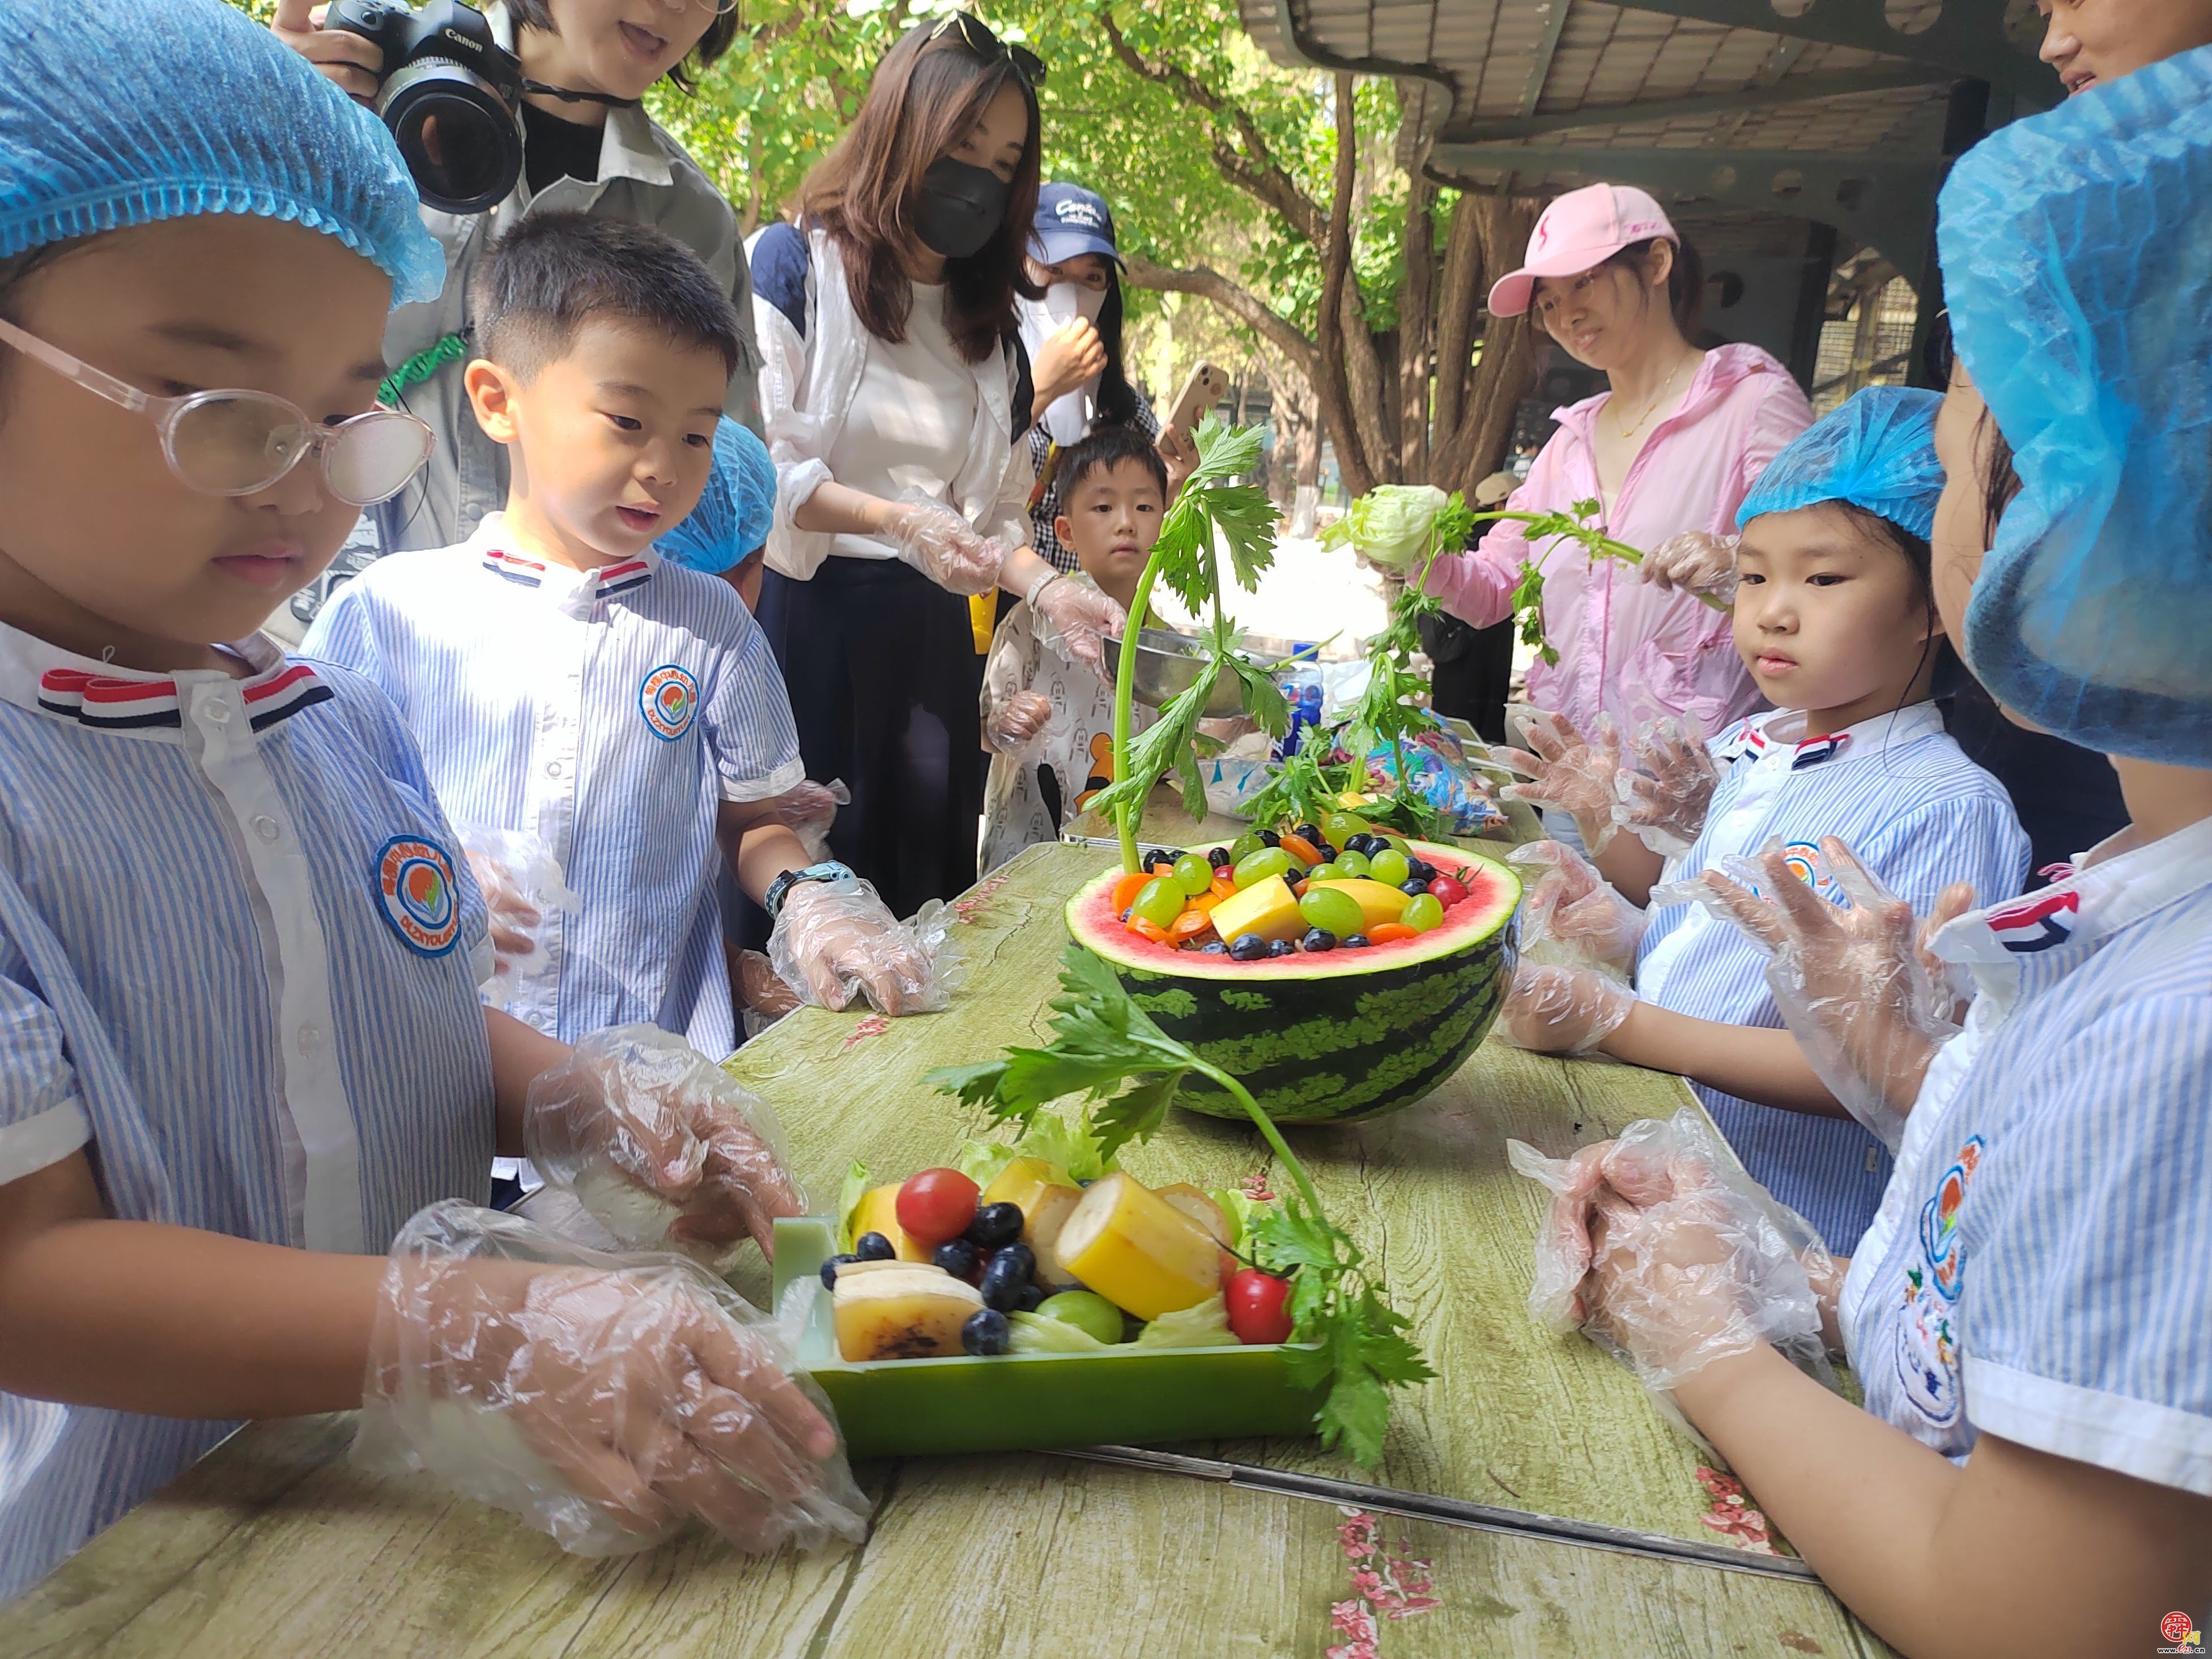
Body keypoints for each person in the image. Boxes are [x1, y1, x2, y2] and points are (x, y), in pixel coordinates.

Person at [0, 0, 858, 1602]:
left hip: (404, 1528)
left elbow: (394, 1018)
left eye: (344, 415)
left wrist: (582, 1099)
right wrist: (483, 1323)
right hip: (122, 1576)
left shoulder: (307, 719)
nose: (310, 477)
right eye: (222, 410)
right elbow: (25, 1266)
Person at [1513, 54, 2212, 1651]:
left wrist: (1706, 1338)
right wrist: (1869, 1145)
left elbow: (2009, 1611)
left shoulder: (2184, 1022)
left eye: (1992, 448)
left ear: (2089, 517)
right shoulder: (2121, 915)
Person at [304, 213, 939, 1056]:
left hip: (664, 1071)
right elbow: (312, 820)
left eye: (696, 435)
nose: (665, 468)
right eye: (627, 422)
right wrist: (424, 861)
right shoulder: (390, 616)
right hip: (440, 1074)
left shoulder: (712, 624)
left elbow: (750, 819)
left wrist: (808, 896)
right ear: (500, 402)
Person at [1493, 389, 2029, 1254]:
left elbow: (1890, 1066)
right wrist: (1619, 891)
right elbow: (1708, 933)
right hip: (1663, 1159)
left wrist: (1621, 1023)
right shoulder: (1756, 747)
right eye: (1753, 575)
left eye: (1823, 579)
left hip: (1784, 1227)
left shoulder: (1946, 808)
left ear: (1935, 600)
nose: (1773, 609)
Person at [748, 15, 1123, 918]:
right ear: (900, 127)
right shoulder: (793, 263)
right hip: (811, 631)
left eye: (1005, 164)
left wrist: (1048, 592)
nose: (981, 181)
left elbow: (992, 514)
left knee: (926, 901)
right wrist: (896, 521)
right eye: (964, 144)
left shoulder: (988, 325)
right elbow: (767, 468)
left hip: (929, 646)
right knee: (809, 895)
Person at [272, 0, 764, 622]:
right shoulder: (359, 114)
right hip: (323, 629)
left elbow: (727, 505)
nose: (677, 5)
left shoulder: (692, 222)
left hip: (568, 673)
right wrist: (267, 135)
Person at [1408, 183, 1814, 841]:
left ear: (1655, 264)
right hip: (1577, 783)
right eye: (1547, 302)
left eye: (1584, 284)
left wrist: (1740, 560)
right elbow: (1492, 592)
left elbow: (1822, 567)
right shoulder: (1566, 445)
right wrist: (1417, 557)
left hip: (1697, 785)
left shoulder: (1752, 404)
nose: (1564, 313)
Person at [980, 425, 1166, 871]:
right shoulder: (1028, 623)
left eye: (1144, 506)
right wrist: (1008, 722)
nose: (1126, 522)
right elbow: (986, 730)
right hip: (1026, 848)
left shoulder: (1164, 643)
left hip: (1124, 854)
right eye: (1103, 507)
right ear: (1065, 532)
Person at [1016, 182, 1196, 572]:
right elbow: (958, 487)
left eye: (1092, 279)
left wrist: (1170, 488)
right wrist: (1041, 390)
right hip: (988, 617)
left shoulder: (1124, 410)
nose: (1072, 295)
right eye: (1053, 272)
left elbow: (1146, 545)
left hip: (1090, 617)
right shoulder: (981, 381)